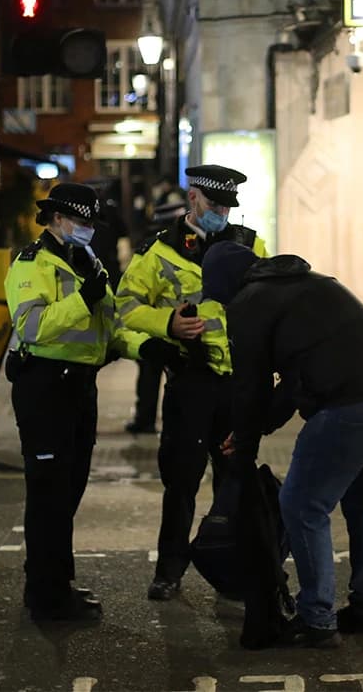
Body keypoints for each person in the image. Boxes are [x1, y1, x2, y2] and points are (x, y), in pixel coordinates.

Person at [203, 241, 363, 650]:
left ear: (225, 283)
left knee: (302, 506)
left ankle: (316, 618)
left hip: (350, 405)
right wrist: (257, 429)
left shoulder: (248, 303)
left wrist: (244, 447)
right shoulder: (308, 283)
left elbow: (252, 386)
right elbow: (296, 379)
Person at [114, 164, 269, 601]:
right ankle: (169, 570)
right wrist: (166, 325)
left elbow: (266, 302)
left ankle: (231, 572)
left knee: (233, 480)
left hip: (235, 382)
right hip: (190, 380)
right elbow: (124, 308)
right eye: (215, 204)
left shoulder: (249, 244)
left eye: (227, 206)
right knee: (180, 481)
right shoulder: (158, 250)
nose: (222, 212)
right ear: (194, 198)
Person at [3, 182, 141, 623]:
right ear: (57, 219)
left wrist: (146, 347)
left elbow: (109, 322)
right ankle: (46, 596)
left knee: (68, 493)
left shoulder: (85, 259)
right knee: (48, 496)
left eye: (91, 224)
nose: (88, 230)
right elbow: (32, 326)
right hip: (45, 388)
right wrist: (84, 299)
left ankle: (55, 583)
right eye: (81, 223)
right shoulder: (31, 264)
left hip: (80, 387)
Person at [125, 185, 190, 435]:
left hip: (157, 327)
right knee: (166, 380)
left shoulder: (150, 242)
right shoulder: (161, 246)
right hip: (164, 327)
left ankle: (146, 419)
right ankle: (160, 421)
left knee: (150, 378)